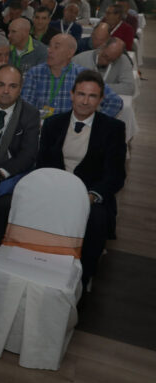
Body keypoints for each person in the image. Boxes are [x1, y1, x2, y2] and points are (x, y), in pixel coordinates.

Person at [37, 70, 126, 288]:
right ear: (71, 94)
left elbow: (115, 174)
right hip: (55, 189)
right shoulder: (53, 124)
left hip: (90, 195)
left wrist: (92, 196)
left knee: (95, 219)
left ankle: (83, 277)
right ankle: (39, 266)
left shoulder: (113, 129)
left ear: (101, 99)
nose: (85, 101)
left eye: (92, 96)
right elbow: (42, 165)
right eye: (81, 94)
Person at [0, 64, 40, 252]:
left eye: (12, 86)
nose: (6, 91)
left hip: (10, 172)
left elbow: (28, 155)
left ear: (21, 88)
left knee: (5, 204)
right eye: (1, 84)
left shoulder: (30, 114)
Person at [21, 33, 122, 120]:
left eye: (56, 47)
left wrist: (95, 123)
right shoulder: (35, 73)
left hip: (72, 132)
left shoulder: (83, 76)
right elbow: (25, 106)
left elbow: (115, 102)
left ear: (70, 53)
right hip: (41, 130)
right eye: (49, 46)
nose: (49, 50)